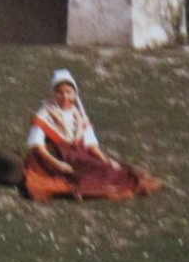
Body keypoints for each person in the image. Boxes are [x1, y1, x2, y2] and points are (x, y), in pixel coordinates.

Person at [23, 68, 161, 202]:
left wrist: (105, 159)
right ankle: (81, 188)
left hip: (78, 155)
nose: (65, 96)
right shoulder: (44, 115)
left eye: (68, 92)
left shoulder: (79, 116)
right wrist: (58, 164)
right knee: (78, 175)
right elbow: (37, 146)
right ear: (53, 94)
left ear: (74, 94)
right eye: (60, 93)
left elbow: (91, 145)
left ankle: (92, 186)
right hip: (53, 155)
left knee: (109, 169)